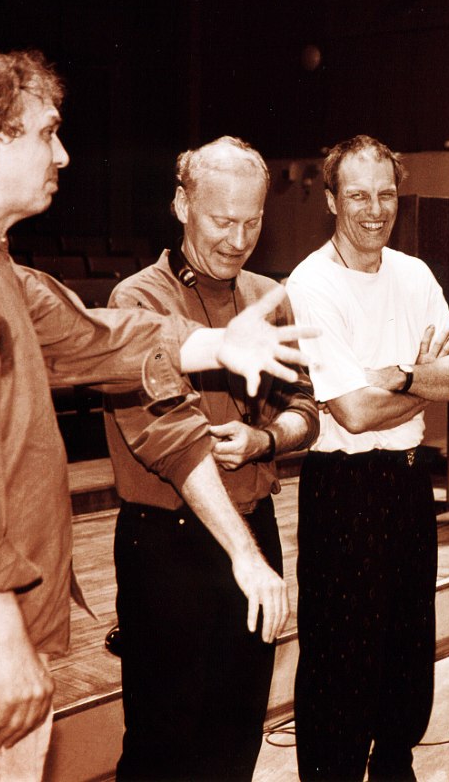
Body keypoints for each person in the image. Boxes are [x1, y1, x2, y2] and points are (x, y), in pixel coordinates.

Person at [0, 45, 314, 782]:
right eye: (46, 131)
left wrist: (217, 338)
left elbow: (86, 335)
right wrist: (2, 638)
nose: (61, 153)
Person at [103, 136, 319, 781]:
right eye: (223, 221)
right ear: (181, 205)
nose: (237, 238)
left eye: (252, 221)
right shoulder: (135, 301)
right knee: (162, 742)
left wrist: (268, 440)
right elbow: (168, 435)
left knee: (237, 728)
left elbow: (307, 408)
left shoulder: (268, 296)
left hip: (255, 528)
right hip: (165, 545)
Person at [285, 134, 449, 781]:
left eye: (386, 194)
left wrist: (394, 376)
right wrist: (422, 375)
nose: (375, 209)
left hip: (405, 485)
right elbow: (351, 413)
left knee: (405, 653)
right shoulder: (311, 283)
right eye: (360, 195)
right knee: (340, 665)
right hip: (341, 488)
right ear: (333, 199)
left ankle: (394, 765)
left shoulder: (415, 275)